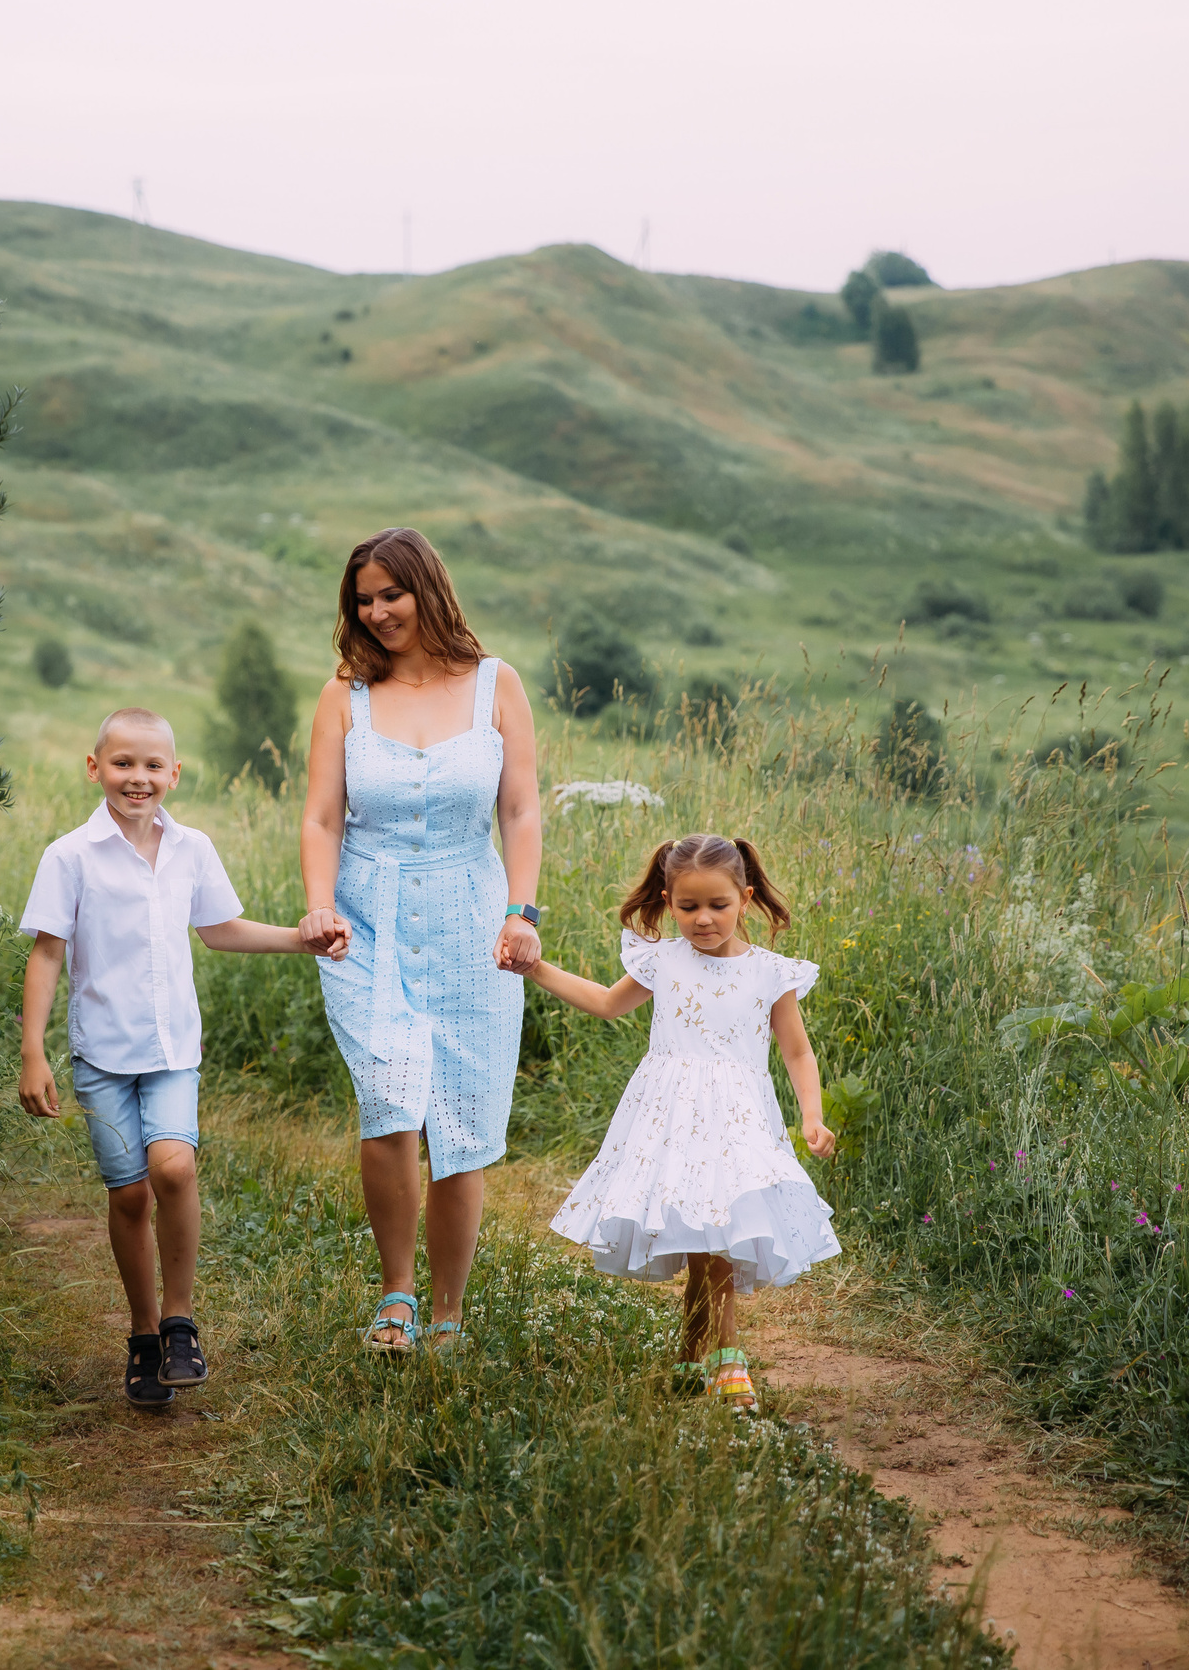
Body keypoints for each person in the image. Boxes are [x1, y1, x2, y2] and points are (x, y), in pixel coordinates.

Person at [19, 707, 346, 1409]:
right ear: (94, 767)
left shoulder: (192, 848)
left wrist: (302, 938)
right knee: (129, 1191)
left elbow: (221, 930)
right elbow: (47, 952)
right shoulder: (69, 856)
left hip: (172, 1050)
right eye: (122, 764)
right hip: (101, 1056)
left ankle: (178, 1322)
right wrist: (32, 1051)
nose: (138, 778)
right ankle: (140, 1334)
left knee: (174, 1165)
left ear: (174, 773)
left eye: (152, 766)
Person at [299, 527, 543, 1356]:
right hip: (368, 918)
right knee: (390, 1101)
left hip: (474, 917)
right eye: (362, 600)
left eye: (390, 595)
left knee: (461, 1118)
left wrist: (523, 910)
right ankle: (395, 1295)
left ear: (427, 590)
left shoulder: (496, 685)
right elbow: (323, 816)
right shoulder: (345, 696)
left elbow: (520, 809)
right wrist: (319, 905)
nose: (376, 612)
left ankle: (447, 1313)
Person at [525, 834, 841, 1411]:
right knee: (707, 1240)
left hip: (739, 1121)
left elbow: (797, 1051)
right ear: (668, 901)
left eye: (718, 906)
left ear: (744, 899)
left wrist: (812, 1116)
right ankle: (722, 1359)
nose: (703, 919)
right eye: (688, 906)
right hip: (671, 1119)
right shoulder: (662, 960)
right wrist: (536, 966)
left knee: (715, 1239)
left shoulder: (770, 973)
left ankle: (704, 1358)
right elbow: (603, 1002)